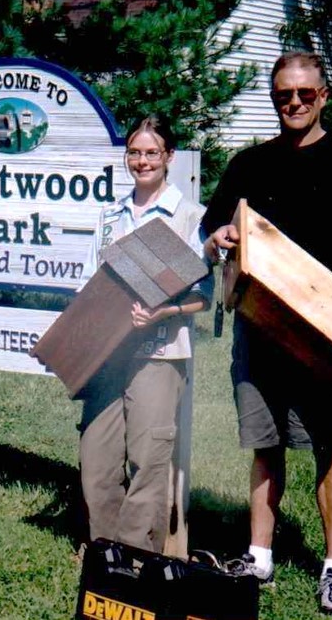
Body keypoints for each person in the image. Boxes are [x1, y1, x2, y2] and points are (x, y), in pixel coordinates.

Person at [202, 52, 332, 618]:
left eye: (304, 94)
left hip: (329, 334)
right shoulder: (248, 165)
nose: (293, 103)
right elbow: (216, 228)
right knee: (265, 446)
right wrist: (218, 237)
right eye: (283, 96)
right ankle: (259, 556)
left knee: (329, 448)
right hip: (259, 328)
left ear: (324, 95)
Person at [79, 115, 213, 557]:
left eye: (152, 152)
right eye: (134, 152)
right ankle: (105, 553)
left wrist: (163, 311)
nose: (142, 161)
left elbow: (205, 296)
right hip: (106, 357)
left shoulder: (190, 217)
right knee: (96, 460)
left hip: (160, 353)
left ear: (169, 157)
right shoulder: (109, 215)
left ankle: (136, 558)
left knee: (147, 460)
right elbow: (89, 285)